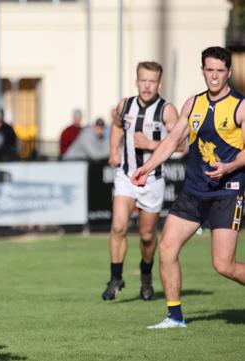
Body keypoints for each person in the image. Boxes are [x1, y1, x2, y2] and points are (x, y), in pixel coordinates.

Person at [131, 47, 245, 328]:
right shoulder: (192, 104)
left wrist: (228, 167)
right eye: (209, 70)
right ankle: (175, 317)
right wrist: (147, 167)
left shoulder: (241, 106)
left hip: (227, 192)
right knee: (167, 248)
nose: (214, 76)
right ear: (203, 71)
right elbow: (171, 142)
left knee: (224, 265)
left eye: (220, 71)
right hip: (194, 191)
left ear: (228, 72)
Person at [101, 61, 179, 301]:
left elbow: (181, 145)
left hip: (152, 179)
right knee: (118, 226)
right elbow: (116, 126)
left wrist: (151, 144)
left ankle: (146, 273)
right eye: (143, 80)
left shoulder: (167, 110)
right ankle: (116, 277)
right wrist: (114, 150)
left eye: (152, 81)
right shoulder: (125, 105)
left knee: (146, 236)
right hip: (125, 175)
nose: (147, 86)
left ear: (159, 84)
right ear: (136, 82)